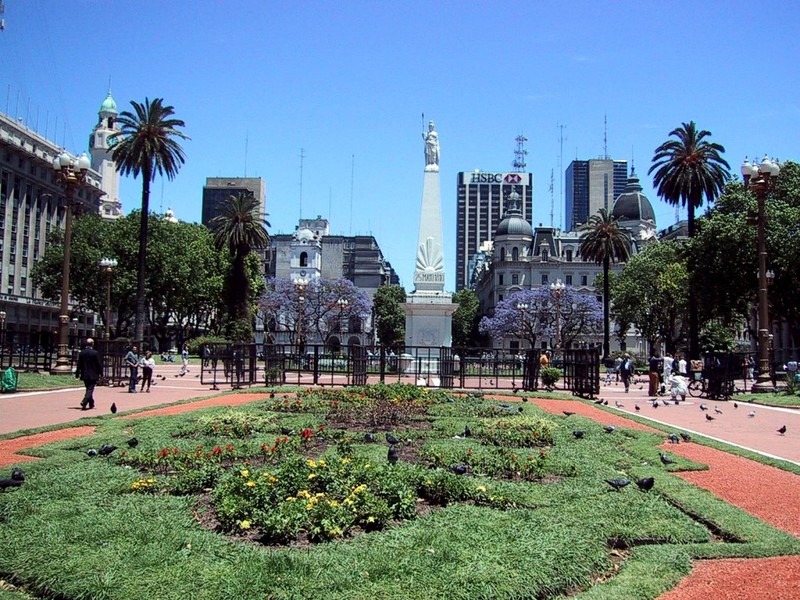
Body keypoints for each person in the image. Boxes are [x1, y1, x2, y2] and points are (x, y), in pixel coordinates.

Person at [75, 338, 102, 410]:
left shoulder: (82, 353)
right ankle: (84, 400)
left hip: (84, 374)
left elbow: (79, 365)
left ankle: (91, 404)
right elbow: (99, 364)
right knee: (90, 389)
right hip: (93, 374)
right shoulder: (95, 353)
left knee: (88, 389)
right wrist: (101, 373)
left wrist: (77, 374)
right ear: (92, 344)